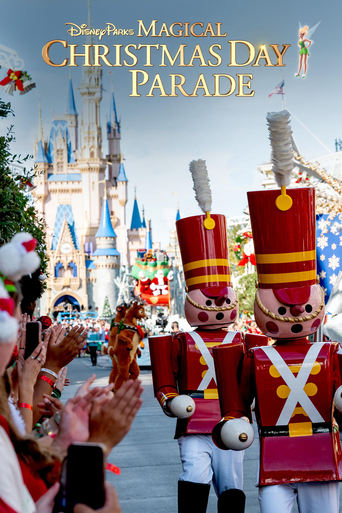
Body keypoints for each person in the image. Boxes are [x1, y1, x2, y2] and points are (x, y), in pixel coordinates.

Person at [213, 117, 341, 513]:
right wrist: (233, 420)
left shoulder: (331, 353)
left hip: (323, 456)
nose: (297, 314)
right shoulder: (253, 355)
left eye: (303, 305)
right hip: (275, 459)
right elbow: (236, 406)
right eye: (285, 307)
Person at [149, 161, 247, 513]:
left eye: (223, 300)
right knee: (194, 475)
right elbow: (164, 384)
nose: (219, 307)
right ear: (191, 301)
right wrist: (171, 400)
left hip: (230, 420)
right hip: (193, 423)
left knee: (231, 484)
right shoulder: (179, 341)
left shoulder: (243, 340)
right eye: (209, 301)